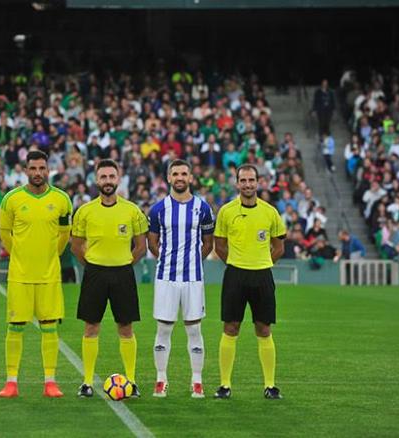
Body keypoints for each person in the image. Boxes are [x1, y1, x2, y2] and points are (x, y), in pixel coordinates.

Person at [0, 150, 73, 398]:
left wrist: (52, 255)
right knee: (15, 326)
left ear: (48, 169)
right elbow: (5, 234)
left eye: (42, 168)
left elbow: (64, 235)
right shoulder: (11, 199)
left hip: (49, 275)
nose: (38, 173)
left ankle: (50, 382)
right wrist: (19, 255)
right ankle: (11, 382)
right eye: (33, 168)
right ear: (25, 170)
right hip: (20, 275)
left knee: (49, 326)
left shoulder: (62, 200)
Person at [71, 159, 148, 398]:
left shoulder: (132, 210)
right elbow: (76, 246)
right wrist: (94, 265)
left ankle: (132, 381)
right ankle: (86, 382)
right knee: (91, 326)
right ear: (96, 180)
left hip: (123, 274)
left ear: (118, 178)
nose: (107, 181)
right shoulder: (85, 211)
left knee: (125, 327)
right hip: (94, 273)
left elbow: (141, 247)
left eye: (111, 177)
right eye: (103, 177)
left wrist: (123, 264)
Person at [213, 164, 286, 400]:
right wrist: (235, 263)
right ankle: (224, 385)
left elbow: (279, 246)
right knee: (230, 327)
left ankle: (270, 385)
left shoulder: (270, 212)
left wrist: (263, 262)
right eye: (243, 180)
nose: (247, 184)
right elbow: (219, 245)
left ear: (258, 182)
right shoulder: (226, 211)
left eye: (251, 180)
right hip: (235, 275)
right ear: (236, 183)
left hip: (263, 275)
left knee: (264, 328)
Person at [147, 159, 215, 398]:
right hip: (165, 278)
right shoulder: (157, 209)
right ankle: (161, 379)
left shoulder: (203, 208)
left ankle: (197, 381)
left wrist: (193, 261)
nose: (179, 177)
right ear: (168, 178)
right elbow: (152, 243)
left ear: (190, 178)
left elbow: (208, 243)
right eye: (175, 173)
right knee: (163, 328)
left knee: (194, 329)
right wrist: (166, 259)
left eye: (184, 173)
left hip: (193, 278)